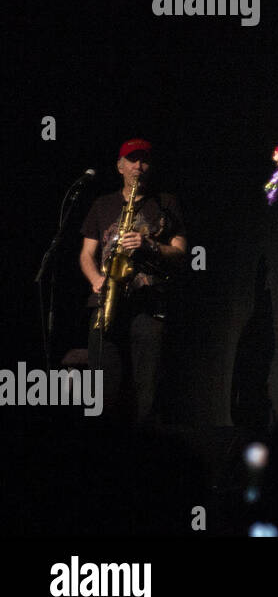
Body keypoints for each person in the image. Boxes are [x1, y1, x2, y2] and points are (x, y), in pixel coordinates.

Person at [78, 138, 187, 424]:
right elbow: (87, 254)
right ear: (120, 166)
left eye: (144, 160)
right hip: (107, 301)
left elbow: (180, 251)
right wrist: (95, 279)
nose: (139, 166)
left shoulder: (165, 203)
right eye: (132, 159)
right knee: (103, 390)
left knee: (147, 391)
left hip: (148, 304)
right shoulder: (102, 205)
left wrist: (148, 245)